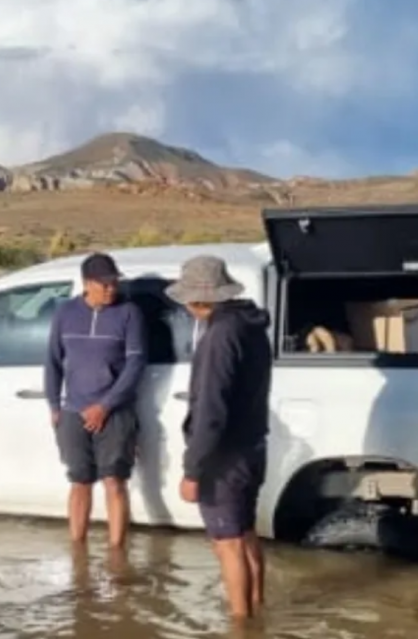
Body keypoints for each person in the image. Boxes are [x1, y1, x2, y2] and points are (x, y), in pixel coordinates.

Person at [165, 255, 272, 621]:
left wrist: (193, 471)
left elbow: (211, 410)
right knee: (245, 535)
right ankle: (257, 608)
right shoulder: (251, 325)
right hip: (252, 446)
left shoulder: (219, 335)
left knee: (227, 545)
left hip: (223, 457)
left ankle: (241, 623)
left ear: (197, 299)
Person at [44, 252, 147, 549]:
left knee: (114, 481)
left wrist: (106, 405)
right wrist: (54, 405)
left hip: (115, 412)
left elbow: (135, 364)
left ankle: (117, 552)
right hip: (73, 411)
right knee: (79, 481)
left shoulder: (129, 313)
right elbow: (52, 360)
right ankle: (77, 551)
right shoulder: (65, 313)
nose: (112, 289)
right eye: (105, 284)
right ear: (87, 284)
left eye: (114, 282)